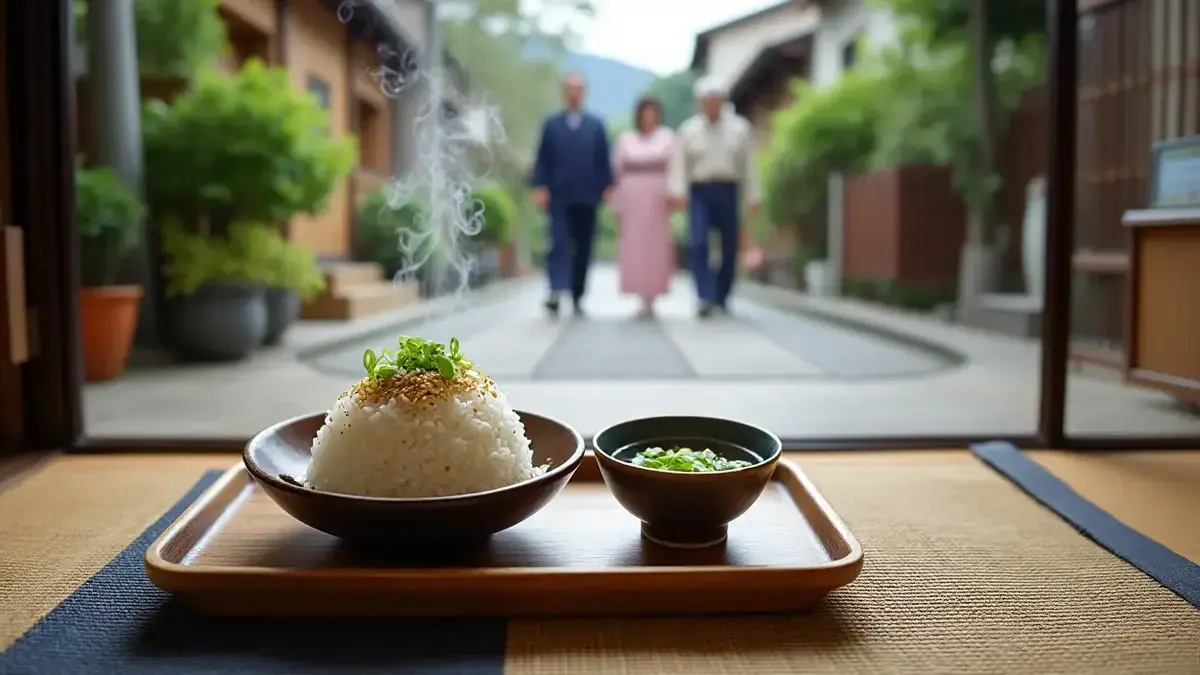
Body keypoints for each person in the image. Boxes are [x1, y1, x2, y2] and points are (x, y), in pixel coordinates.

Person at [667, 76, 762, 318]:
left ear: (722, 101)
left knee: (730, 245)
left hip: (729, 190)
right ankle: (704, 296)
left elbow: (749, 165)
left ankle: (722, 294)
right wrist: (677, 193)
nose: (711, 104)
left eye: (715, 100)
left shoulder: (739, 128)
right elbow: (679, 164)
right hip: (700, 191)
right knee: (698, 242)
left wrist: (753, 196)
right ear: (700, 102)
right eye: (706, 100)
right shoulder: (688, 130)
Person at [530, 72, 614, 318]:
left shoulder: (596, 125)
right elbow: (542, 159)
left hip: (588, 195)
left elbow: (603, 161)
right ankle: (555, 291)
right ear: (564, 92)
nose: (574, 93)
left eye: (578, 89)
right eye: (569, 89)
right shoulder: (551, 124)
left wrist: (608, 188)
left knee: (583, 246)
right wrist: (540, 186)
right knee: (557, 242)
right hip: (559, 195)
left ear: (583, 93)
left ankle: (578, 295)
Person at [611, 97, 677, 318]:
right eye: (645, 113)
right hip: (632, 197)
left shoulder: (667, 137)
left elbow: (675, 169)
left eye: (653, 112)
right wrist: (616, 203)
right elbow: (617, 173)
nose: (649, 117)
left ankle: (654, 294)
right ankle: (640, 294)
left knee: (657, 246)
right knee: (635, 245)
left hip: (658, 197)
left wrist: (675, 195)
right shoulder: (626, 139)